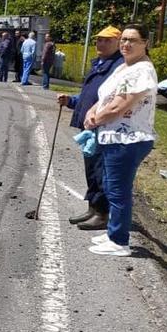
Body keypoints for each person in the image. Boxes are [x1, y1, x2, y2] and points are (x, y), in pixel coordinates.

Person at [84, 24, 158, 257]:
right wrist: (91, 111)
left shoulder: (141, 71)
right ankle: (112, 233)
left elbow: (119, 106)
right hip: (114, 136)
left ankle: (119, 241)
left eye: (133, 40)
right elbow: (106, 97)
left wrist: (96, 119)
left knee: (118, 191)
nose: (126, 44)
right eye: (124, 39)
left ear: (145, 43)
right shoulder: (125, 67)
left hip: (128, 139)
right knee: (110, 186)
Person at [55, 26, 124, 231]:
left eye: (106, 40)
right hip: (90, 125)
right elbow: (89, 95)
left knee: (101, 171)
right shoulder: (99, 64)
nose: (100, 43)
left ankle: (102, 214)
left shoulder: (119, 66)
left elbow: (113, 99)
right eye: (99, 40)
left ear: (118, 43)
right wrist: (71, 101)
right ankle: (92, 208)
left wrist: (99, 116)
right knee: (91, 170)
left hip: (104, 126)